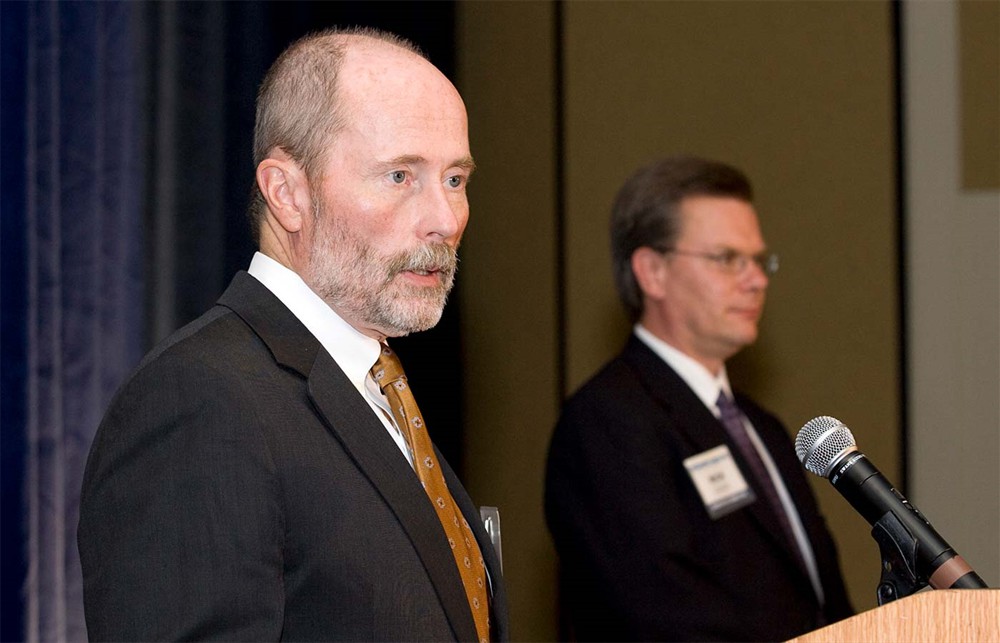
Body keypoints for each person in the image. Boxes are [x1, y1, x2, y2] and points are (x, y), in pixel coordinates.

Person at [78, 27, 508, 642]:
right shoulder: (199, 401)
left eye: (455, 180)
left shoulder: (378, 389)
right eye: (400, 177)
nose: (444, 219)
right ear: (288, 194)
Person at [544, 156, 853, 641]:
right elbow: (662, 618)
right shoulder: (607, 423)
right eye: (729, 259)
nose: (757, 279)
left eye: (758, 260)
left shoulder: (763, 428)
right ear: (653, 272)